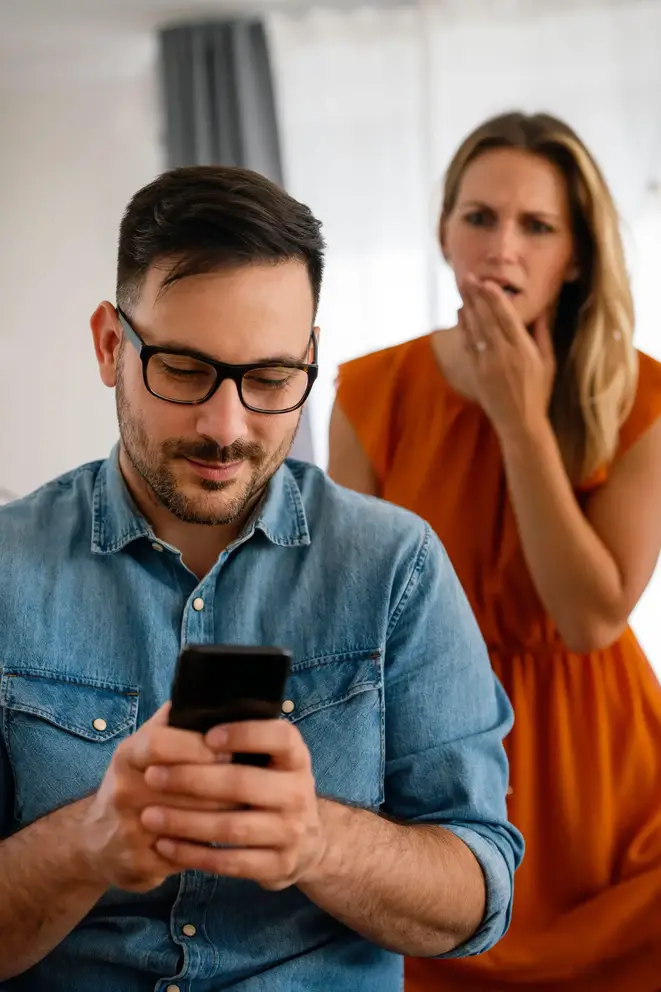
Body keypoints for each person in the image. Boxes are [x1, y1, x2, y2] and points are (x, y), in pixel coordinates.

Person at [0, 165, 522, 992]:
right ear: (110, 346)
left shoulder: (397, 567)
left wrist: (319, 841)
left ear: (310, 360)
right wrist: (86, 845)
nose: (226, 427)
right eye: (182, 369)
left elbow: (477, 898)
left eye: (271, 379)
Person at [329, 111, 661, 992]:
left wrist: (520, 420)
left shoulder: (644, 397)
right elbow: (354, 626)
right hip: (441, 764)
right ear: (443, 232)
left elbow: (590, 619)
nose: (500, 246)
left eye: (535, 225)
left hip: (604, 784)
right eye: (477, 216)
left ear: (576, 254)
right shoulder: (371, 392)